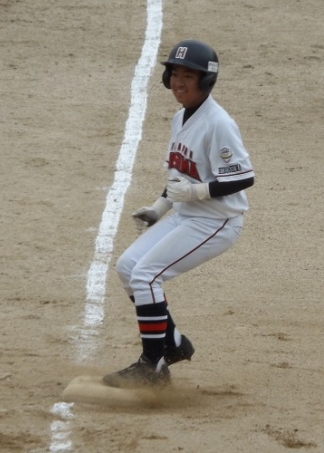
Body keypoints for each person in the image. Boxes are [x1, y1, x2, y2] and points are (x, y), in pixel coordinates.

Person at [102, 40, 255, 388]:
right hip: (186, 216)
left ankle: (153, 366)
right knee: (128, 267)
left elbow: (244, 177)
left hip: (216, 221)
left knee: (146, 276)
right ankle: (172, 344)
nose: (178, 83)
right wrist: (158, 208)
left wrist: (198, 192)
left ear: (206, 81)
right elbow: (179, 175)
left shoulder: (218, 123)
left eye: (188, 76)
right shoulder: (180, 118)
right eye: (174, 74)